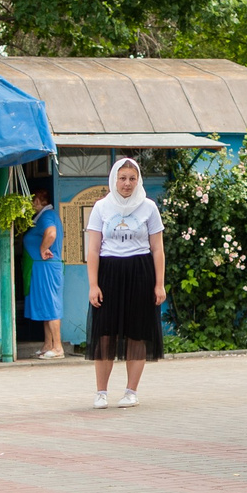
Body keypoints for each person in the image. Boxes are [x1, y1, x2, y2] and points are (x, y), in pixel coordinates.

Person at [84, 157, 164, 407]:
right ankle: (101, 393)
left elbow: (158, 248)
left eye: (132, 178)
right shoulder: (101, 207)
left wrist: (159, 284)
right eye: (122, 178)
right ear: (114, 180)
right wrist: (94, 285)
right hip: (109, 272)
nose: (127, 184)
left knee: (136, 333)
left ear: (138, 180)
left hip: (140, 271)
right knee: (105, 333)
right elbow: (93, 249)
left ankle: (131, 391)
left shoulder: (149, 207)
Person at [25, 185, 64, 358]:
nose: (31, 204)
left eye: (33, 201)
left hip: (47, 265)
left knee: (51, 305)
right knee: (46, 306)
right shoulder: (43, 216)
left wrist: (43, 248)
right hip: (42, 266)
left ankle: (58, 347)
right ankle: (48, 344)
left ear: (40, 201)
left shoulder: (47, 216)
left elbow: (51, 233)